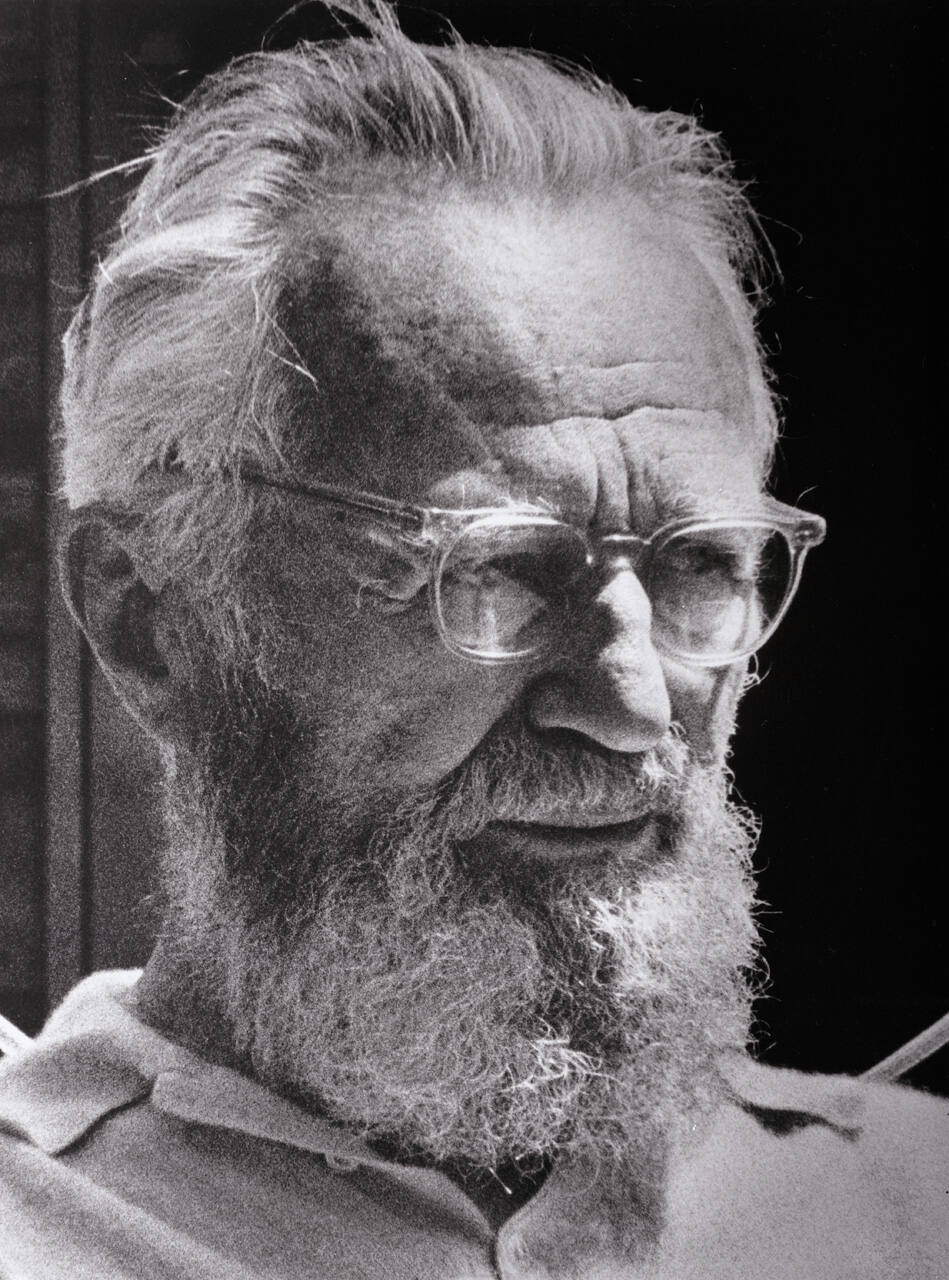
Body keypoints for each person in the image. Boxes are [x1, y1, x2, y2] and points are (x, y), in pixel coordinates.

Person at [1, 3, 945, 1276]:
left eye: (699, 563)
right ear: (150, 618)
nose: (632, 705)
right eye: (500, 567)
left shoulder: (910, 1206)